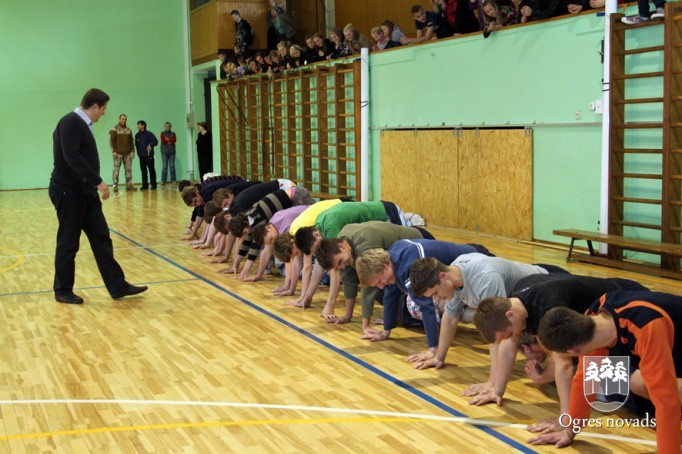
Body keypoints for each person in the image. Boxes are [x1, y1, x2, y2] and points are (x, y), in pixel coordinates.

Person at [469, 273, 647, 412]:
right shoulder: (516, 306)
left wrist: (565, 419)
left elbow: (564, 365)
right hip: (605, 332)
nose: (512, 338)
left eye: (508, 334)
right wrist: (497, 390)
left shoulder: (549, 309)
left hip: (632, 306)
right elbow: (508, 346)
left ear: (510, 315)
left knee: (633, 386)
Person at [532, 291, 682, 453]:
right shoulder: (594, 319)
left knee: (666, 394)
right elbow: (586, 378)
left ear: (572, 351)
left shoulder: (644, 326)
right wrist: (569, 430)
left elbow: (667, 402)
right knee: (642, 384)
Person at [49, 88, 148, 304]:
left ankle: (118, 286)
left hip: (85, 192)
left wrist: (92, 184)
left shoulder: (82, 124)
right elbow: (72, 157)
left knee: (101, 237)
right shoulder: (70, 123)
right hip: (68, 191)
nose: (104, 113)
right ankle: (62, 290)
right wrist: (99, 182)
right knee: (68, 242)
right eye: (103, 108)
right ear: (94, 106)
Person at [406, 255, 563, 372]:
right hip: (526, 309)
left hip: (551, 283)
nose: (436, 298)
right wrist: (439, 357)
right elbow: (451, 316)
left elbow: (497, 333)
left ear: (443, 276)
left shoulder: (485, 280)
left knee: (562, 358)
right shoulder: (454, 274)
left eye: (435, 292)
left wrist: (493, 384)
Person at [355, 241, 492, 355]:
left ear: (384, 267)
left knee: (429, 305)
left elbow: (426, 307)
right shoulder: (392, 258)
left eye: (379, 281)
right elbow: (390, 296)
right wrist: (386, 331)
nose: (380, 286)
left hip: (480, 262)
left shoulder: (408, 268)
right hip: (464, 267)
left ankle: (482, 317)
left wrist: (432, 348)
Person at [315, 221, 431, 326]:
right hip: (401, 261)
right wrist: (347, 316)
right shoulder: (343, 248)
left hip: (422, 243)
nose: (342, 267)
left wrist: (366, 327)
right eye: (338, 267)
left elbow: (368, 287)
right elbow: (349, 282)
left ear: (342, 246)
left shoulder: (364, 244)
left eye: (340, 262)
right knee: (382, 293)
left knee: (382, 291)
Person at [109, 114, 136, 192]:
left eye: (125, 119)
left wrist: (133, 150)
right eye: (122, 119)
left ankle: (129, 185)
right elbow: (111, 141)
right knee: (116, 170)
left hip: (127, 153)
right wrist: (114, 151)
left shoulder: (128, 130)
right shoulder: (114, 129)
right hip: (118, 153)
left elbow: (131, 141)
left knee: (128, 169)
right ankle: (115, 185)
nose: (124, 120)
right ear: (119, 119)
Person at [134, 120, 158, 190]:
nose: (137, 126)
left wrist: (150, 145)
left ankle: (153, 184)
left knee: (151, 170)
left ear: (143, 126)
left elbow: (155, 141)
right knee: (143, 171)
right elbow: (136, 145)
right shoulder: (137, 135)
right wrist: (138, 153)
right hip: (141, 157)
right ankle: (145, 185)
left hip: (149, 156)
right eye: (137, 125)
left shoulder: (149, 134)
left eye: (139, 125)